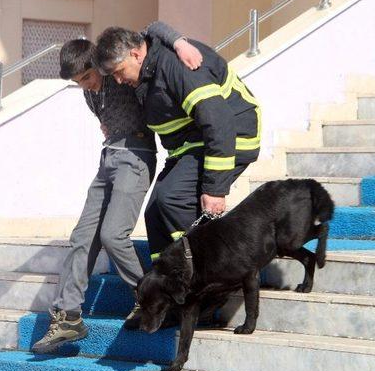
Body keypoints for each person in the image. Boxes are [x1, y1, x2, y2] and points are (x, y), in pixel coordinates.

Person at [31, 22, 203, 354]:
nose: (87, 85)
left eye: (87, 77)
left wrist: (180, 42)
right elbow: (103, 116)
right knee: (82, 236)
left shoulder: (117, 74)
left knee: (113, 235)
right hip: (108, 158)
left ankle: (150, 297)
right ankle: (67, 318)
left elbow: (149, 31)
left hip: (136, 157)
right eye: (79, 83)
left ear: (98, 64)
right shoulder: (89, 93)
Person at [95, 27, 261, 261]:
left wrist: (215, 189)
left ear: (135, 54)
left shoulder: (178, 66)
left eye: (119, 72)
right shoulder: (149, 67)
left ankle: (215, 269)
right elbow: (153, 27)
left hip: (233, 136)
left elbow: (219, 122)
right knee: (154, 213)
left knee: (173, 198)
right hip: (191, 144)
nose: (119, 80)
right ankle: (169, 283)